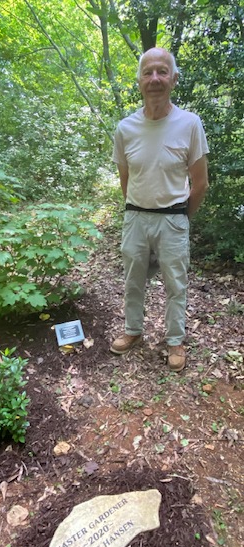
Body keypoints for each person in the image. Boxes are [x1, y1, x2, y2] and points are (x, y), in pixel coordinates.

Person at [110, 47, 209, 372]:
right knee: (133, 280)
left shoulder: (190, 124)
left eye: (162, 72)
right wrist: (137, 209)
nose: (155, 79)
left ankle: (175, 340)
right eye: (148, 72)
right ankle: (133, 331)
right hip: (135, 217)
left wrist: (180, 218)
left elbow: (200, 183)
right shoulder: (125, 129)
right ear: (139, 80)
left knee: (175, 284)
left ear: (174, 78)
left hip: (173, 220)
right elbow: (126, 179)